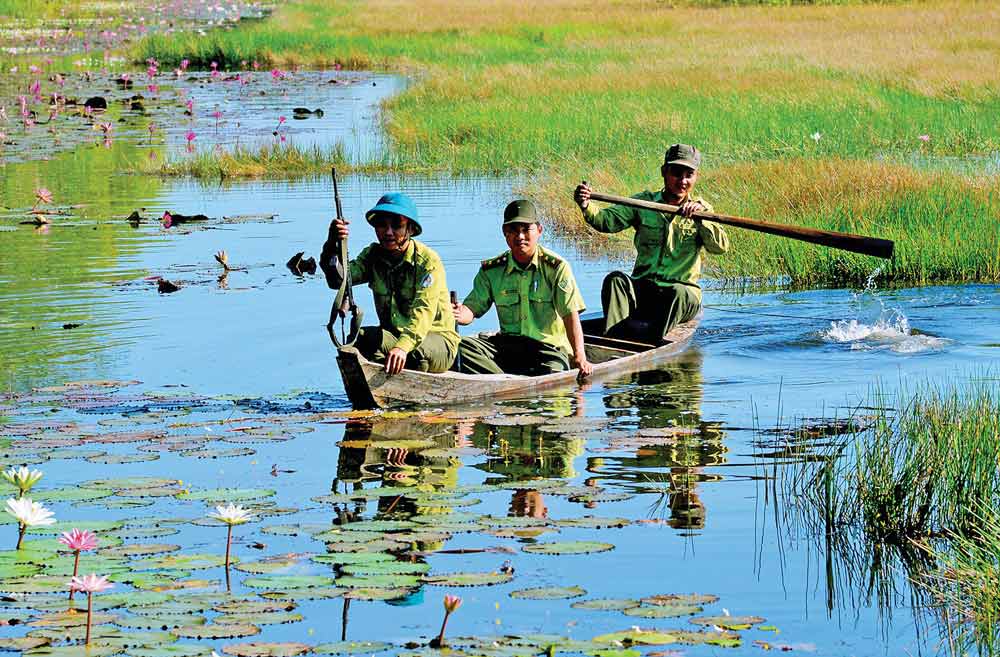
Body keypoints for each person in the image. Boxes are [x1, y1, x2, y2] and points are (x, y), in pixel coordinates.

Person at [574, 143, 729, 342]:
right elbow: (607, 221)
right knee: (616, 281)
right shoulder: (643, 203)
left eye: (688, 175)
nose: (682, 181)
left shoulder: (703, 210)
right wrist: (586, 205)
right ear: (664, 172)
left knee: (678, 293)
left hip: (681, 295)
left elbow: (720, 248)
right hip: (644, 288)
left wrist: (701, 219)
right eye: (676, 173)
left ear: (695, 177)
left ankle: (649, 343)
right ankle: (614, 339)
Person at [451, 199, 593, 377]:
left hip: (547, 349)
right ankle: (502, 379)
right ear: (505, 233)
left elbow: (570, 315)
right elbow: (471, 309)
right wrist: (458, 313)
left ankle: (503, 379)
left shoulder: (556, 267)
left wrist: (580, 356)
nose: (520, 237)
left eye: (526, 229)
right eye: (513, 230)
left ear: (539, 231)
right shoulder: (492, 271)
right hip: (508, 346)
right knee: (461, 347)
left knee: (552, 371)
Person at [320, 192, 459, 374]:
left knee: (415, 353)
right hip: (394, 338)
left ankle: (412, 396)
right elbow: (338, 281)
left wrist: (402, 347)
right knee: (360, 339)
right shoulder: (372, 255)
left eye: (397, 226)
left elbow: (423, 313)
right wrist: (332, 242)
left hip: (437, 341)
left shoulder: (428, 262)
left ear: (410, 229)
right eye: (382, 225)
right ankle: (379, 386)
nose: (388, 232)